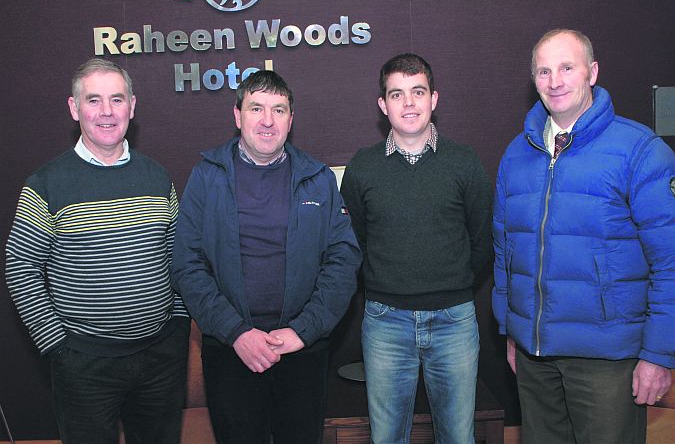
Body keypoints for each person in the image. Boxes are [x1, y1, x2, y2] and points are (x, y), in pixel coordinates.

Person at [492, 28, 674, 444]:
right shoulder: (516, 155)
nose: (555, 81)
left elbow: (670, 261)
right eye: (543, 71)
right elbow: (504, 252)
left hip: (608, 362)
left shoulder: (640, 151)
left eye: (566, 67)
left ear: (592, 72)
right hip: (535, 358)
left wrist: (659, 354)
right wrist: (511, 332)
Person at [5, 58, 190, 444]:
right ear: (75, 109)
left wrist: (177, 324)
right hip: (84, 365)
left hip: (160, 358)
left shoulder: (157, 177)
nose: (106, 112)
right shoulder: (46, 184)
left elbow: (181, 257)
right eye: (93, 100)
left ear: (132, 107)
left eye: (116, 99)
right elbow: (20, 266)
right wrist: (56, 343)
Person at [171, 70, 361, 444]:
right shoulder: (206, 178)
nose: (268, 120)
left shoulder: (318, 178)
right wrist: (237, 333)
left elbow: (343, 261)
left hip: (301, 351)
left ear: (291, 120)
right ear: (238, 115)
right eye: (256, 108)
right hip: (231, 350)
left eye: (279, 109)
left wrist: (302, 331)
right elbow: (186, 264)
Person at [340, 53, 493, 444]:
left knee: (458, 436)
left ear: (434, 99)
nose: (408, 104)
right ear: (382, 105)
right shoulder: (362, 167)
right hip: (385, 322)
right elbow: (352, 244)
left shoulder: (465, 162)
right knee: (387, 437)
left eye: (417, 92)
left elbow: (482, 241)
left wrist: (450, 286)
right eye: (397, 94)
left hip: (454, 321)